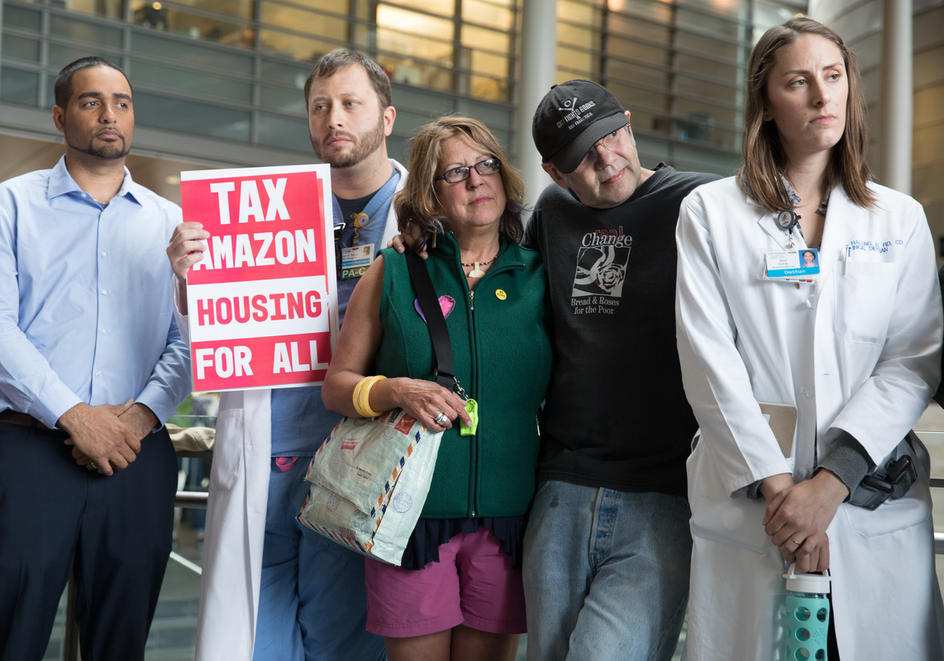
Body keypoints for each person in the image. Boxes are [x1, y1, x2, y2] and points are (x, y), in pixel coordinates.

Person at [675, 17, 944, 659]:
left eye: (834, 76)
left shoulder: (899, 218)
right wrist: (782, 496)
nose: (824, 97)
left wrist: (827, 489)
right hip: (754, 509)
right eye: (799, 82)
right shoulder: (711, 213)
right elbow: (709, 360)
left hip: (866, 505)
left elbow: (912, 360)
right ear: (766, 105)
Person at [167, 49, 404, 660]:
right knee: (254, 639)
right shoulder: (265, 211)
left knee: (346, 636)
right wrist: (193, 278)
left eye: (351, 104)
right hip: (270, 449)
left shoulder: (424, 216)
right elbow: (219, 326)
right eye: (320, 106)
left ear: (387, 118)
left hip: (358, 455)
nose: (335, 119)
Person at [0, 56, 191, 661]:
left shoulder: (174, 225)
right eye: (91, 101)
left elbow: (189, 338)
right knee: (10, 639)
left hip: (137, 460)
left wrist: (139, 417)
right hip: (30, 454)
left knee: (121, 645)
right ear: (61, 115)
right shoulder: (5, 207)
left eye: (122, 101)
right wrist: (74, 415)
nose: (109, 114)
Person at [321, 115, 550, 661]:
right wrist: (398, 389)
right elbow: (337, 387)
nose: (477, 180)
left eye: (487, 164)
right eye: (456, 172)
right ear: (430, 192)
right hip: (409, 517)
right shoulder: (394, 271)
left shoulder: (539, 275)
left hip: (510, 521)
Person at [520, 80, 717, 661]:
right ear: (555, 173)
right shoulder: (551, 214)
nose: (608, 159)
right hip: (559, 487)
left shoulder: (701, 203)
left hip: (662, 491)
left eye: (613, 135)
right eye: (584, 154)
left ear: (629, 124)